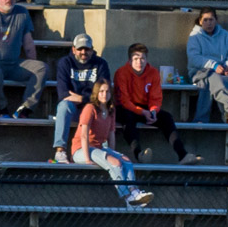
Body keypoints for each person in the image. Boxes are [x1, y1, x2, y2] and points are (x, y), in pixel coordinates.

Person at [114, 43, 201, 165]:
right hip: (126, 108)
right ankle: (139, 154)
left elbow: (156, 97)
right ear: (129, 60)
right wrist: (142, 112)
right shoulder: (121, 73)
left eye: (142, 58)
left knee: (166, 117)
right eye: (136, 59)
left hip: (144, 108)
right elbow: (124, 100)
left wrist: (153, 111)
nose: (140, 62)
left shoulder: (153, 73)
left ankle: (183, 155)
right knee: (127, 118)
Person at [72, 79, 153, 207]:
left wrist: (112, 152)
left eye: (107, 91)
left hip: (98, 148)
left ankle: (134, 192)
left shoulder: (111, 110)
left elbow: (111, 135)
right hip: (81, 149)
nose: (104, 94)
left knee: (125, 160)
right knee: (115, 163)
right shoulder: (90, 108)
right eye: (101, 91)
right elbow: (83, 135)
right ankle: (127, 198)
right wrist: (87, 159)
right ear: (96, 93)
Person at [186, 7, 228, 124]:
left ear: (216, 20)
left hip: (223, 71)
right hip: (202, 71)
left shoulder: (225, 35)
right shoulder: (195, 37)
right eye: (205, 20)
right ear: (200, 21)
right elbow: (194, 58)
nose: (208, 23)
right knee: (218, 82)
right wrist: (214, 65)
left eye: (211, 20)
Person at [51, 33, 110, 163]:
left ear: (92, 49)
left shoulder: (101, 64)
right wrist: (90, 97)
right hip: (73, 109)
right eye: (80, 49)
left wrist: (82, 98)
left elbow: (104, 93)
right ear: (73, 49)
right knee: (63, 106)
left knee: (105, 106)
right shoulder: (65, 63)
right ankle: (60, 151)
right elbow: (63, 94)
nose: (83, 52)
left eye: (87, 49)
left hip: (93, 108)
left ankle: (105, 148)